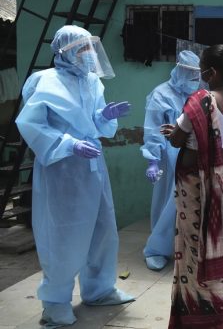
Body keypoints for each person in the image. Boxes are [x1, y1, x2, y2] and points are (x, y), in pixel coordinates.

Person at [15, 25, 134, 328]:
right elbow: (31, 124)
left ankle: (100, 289)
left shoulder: (92, 81)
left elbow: (92, 120)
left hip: (93, 166)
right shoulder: (43, 82)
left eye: (89, 47)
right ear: (64, 51)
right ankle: (54, 304)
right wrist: (69, 144)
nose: (89, 54)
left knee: (103, 229)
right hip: (61, 171)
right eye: (81, 49)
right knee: (63, 235)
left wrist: (104, 117)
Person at [161, 44, 223, 328]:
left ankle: (200, 313)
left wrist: (173, 133)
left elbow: (178, 140)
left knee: (194, 245)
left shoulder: (202, 100)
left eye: (202, 71)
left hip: (199, 183)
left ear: (210, 72)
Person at [141, 50, 201, 271]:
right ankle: (156, 249)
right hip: (168, 155)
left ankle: (182, 246)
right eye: (192, 76)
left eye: (198, 77)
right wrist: (153, 160)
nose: (196, 81)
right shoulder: (161, 95)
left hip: (191, 154)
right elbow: (153, 130)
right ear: (182, 72)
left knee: (188, 202)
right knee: (167, 203)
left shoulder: (195, 95)